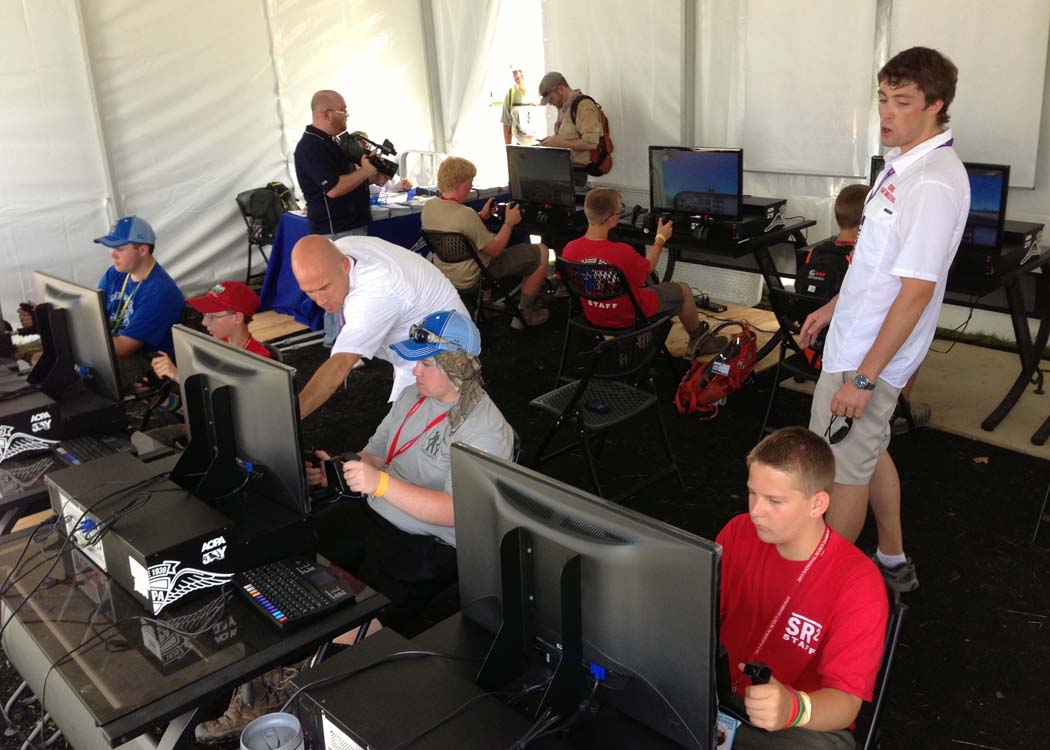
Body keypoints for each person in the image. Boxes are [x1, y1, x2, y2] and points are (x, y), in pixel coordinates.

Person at [799, 47, 969, 593]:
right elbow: (876, 266)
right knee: (867, 451)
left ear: (935, 105)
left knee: (840, 473)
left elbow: (916, 292)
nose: (886, 113)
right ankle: (892, 559)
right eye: (882, 99)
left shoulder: (933, 182)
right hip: (857, 339)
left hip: (868, 357)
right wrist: (832, 307)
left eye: (902, 102)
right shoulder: (904, 167)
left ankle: (827, 593)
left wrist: (866, 376)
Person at [307, 310, 514, 630]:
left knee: (365, 622)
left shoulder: (485, 431)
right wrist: (341, 467)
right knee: (302, 540)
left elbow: (456, 512)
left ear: (457, 366)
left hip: (425, 542)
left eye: (426, 364)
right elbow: (376, 453)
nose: (414, 371)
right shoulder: (412, 396)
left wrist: (381, 485)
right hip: (377, 511)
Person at [718, 427, 888, 749]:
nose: (755, 511)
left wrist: (793, 708)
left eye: (774, 500)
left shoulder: (859, 583)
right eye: (753, 493)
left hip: (802, 724)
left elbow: (846, 703)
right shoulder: (738, 532)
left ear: (817, 504)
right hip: (721, 695)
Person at [290, 234, 467, 419]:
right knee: (405, 420)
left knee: (428, 426)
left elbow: (340, 365)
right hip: (422, 328)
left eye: (325, 287)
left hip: (447, 346)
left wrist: (290, 419)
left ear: (344, 266)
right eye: (309, 292)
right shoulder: (341, 248)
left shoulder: (375, 294)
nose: (320, 301)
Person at [562, 188, 726, 354]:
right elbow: (648, 268)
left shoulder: (570, 249)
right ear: (611, 219)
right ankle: (699, 342)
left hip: (594, 316)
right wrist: (660, 238)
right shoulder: (621, 251)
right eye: (620, 210)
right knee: (683, 290)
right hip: (628, 315)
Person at [421, 156, 550, 327]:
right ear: (461, 183)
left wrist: (480, 216)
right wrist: (509, 222)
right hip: (473, 276)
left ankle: (487, 306)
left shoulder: (429, 207)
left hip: (446, 274)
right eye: (470, 181)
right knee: (541, 251)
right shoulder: (465, 214)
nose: (471, 186)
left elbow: (457, 226)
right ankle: (525, 314)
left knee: (486, 243)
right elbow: (495, 250)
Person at [94, 216, 185, 388]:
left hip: (147, 360)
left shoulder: (159, 291)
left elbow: (123, 348)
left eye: (119, 248)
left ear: (143, 250)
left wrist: (81, 336)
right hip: (114, 344)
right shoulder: (115, 273)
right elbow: (92, 310)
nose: (112, 254)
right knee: (54, 352)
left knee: (82, 370)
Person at [150, 281, 271, 384]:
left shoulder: (258, 360)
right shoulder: (219, 345)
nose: (204, 322)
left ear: (237, 318)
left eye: (212, 316)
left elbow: (230, 398)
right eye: (204, 315)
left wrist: (178, 376)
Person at [536, 71, 604, 187]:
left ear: (561, 89)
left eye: (550, 98)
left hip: (576, 173)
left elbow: (591, 143)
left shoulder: (584, 106)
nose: (550, 103)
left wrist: (559, 143)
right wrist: (551, 141)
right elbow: (568, 136)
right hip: (562, 169)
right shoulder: (563, 107)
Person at [501, 66, 538, 145]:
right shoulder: (511, 94)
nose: (517, 75)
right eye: (514, 72)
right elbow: (507, 124)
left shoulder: (538, 91)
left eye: (520, 71)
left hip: (540, 146)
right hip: (521, 149)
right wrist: (509, 150)